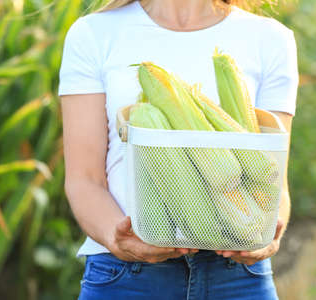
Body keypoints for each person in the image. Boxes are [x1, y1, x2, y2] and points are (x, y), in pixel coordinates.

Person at [58, 0, 298, 299]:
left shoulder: (271, 39)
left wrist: (265, 238)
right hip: (126, 276)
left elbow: (273, 182)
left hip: (237, 278)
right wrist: (116, 237)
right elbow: (85, 180)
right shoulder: (94, 33)